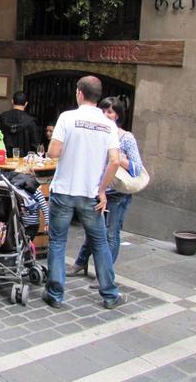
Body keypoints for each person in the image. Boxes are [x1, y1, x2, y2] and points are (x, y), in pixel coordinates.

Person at [43, 75, 125, 310]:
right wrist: (102, 189)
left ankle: (55, 294)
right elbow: (115, 161)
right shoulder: (109, 125)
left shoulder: (67, 118)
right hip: (90, 193)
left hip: (63, 190)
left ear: (79, 92)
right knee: (99, 243)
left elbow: (53, 153)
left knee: (58, 242)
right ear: (98, 97)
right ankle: (110, 294)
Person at [67, 97, 143, 287]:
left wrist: (120, 159)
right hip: (96, 189)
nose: (106, 115)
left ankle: (103, 274)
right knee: (92, 230)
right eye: (103, 111)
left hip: (116, 194)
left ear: (117, 115)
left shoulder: (126, 138)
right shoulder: (97, 134)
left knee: (111, 234)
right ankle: (80, 263)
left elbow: (137, 168)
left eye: (110, 111)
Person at [0, 91, 39, 157]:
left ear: (12, 101)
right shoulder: (30, 122)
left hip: (3, 157)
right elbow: (34, 145)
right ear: (26, 103)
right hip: (23, 160)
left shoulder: (2, 118)